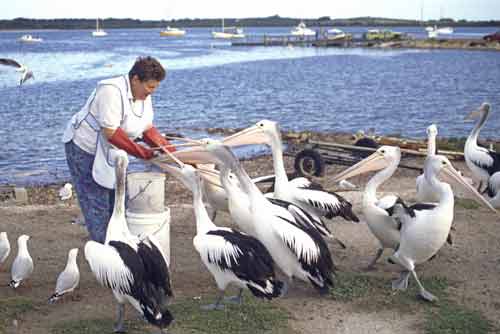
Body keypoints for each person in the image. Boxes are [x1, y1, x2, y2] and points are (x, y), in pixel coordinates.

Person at [62, 56, 175, 243]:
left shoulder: (143, 96)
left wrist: (168, 149)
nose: (152, 92)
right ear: (135, 79)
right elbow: (111, 132)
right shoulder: (111, 90)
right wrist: (143, 153)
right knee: (96, 202)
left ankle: (117, 243)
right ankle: (105, 250)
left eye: (155, 87)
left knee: (118, 199)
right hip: (84, 147)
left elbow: (146, 129)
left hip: (111, 150)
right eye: (150, 86)